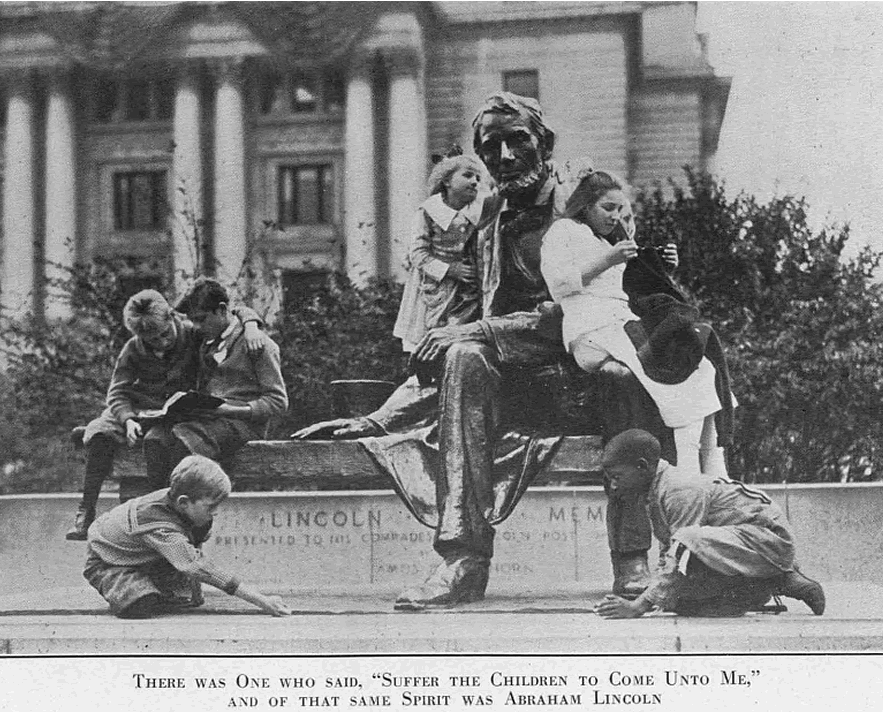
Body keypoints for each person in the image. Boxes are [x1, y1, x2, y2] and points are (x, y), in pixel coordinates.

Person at [294, 92, 664, 608]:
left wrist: (480, 332)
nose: (506, 157)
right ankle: (463, 560)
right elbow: (462, 326)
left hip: (581, 365)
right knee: (464, 358)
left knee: (618, 377)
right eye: (492, 148)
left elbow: (589, 304)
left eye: (518, 141)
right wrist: (378, 418)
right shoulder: (487, 218)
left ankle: (632, 560)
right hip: (514, 382)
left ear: (545, 143)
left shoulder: (584, 203)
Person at [540, 169, 727, 477]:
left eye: (620, 209)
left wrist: (663, 265)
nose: (615, 216)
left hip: (619, 323)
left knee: (701, 366)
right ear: (586, 205)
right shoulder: (563, 230)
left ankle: (713, 466)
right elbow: (558, 285)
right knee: (675, 377)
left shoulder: (605, 240)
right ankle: (690, 474)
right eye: (608, 208)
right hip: (591, 329)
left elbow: (634, 286)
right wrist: (608, 260)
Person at [67, 289, 266, 540]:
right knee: (100, 432)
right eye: (152, 340)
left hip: (176, 411)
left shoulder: (193, 334)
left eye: (164, 334)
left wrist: (251, 323)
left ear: (172, 316)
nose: (161, 343)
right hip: (140, 410)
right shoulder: (133, 349)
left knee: (163, 439)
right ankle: (85, 511)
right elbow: (117, 392)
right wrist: (127, 419)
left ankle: (163, 514)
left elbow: (228, 313)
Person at [594, 430, 825, 619]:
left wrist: (638, 607)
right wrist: (654, 596)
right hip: (743, 543)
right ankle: (757, 588)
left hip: (768, 541)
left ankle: (782, 578)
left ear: (642, 466)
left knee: (686, 541)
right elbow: (672, 554)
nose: (613, 486)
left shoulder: (678, 489)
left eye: (617, 476)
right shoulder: (658, 488)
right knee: (677, 603)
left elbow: (681, 548)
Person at [84, 454, 290, 618]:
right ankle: (133, 585)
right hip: (107, 561)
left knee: (189, 599)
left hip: (143, 554)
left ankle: (156, 581)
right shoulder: (159, 526)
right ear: (183, 502)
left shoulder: (180, 501)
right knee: (140, 604)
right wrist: (261, 600)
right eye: (211, 506)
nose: (216, 511)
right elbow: (198, 565)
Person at [142, 278, 288, 489]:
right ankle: (159, 506)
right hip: (209, 420)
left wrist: (230, 410)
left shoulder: (258, 345)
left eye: (202, 319)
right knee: (155, 438)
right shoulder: (206, 340)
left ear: (221, 311)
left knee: (185, 438)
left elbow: (278, 402)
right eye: (194, 320)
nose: (198, 327)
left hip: (242, 425)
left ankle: (182, 508)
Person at [393, 150, 486, 355]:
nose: (474, 182)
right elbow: (418, 253)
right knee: (426, 333)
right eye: (468, 175)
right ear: (447, 181)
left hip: (466, 290)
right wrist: (450, 270)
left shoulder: (477, 214)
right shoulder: (428, 212)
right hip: (433, 286)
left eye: (478, 178)